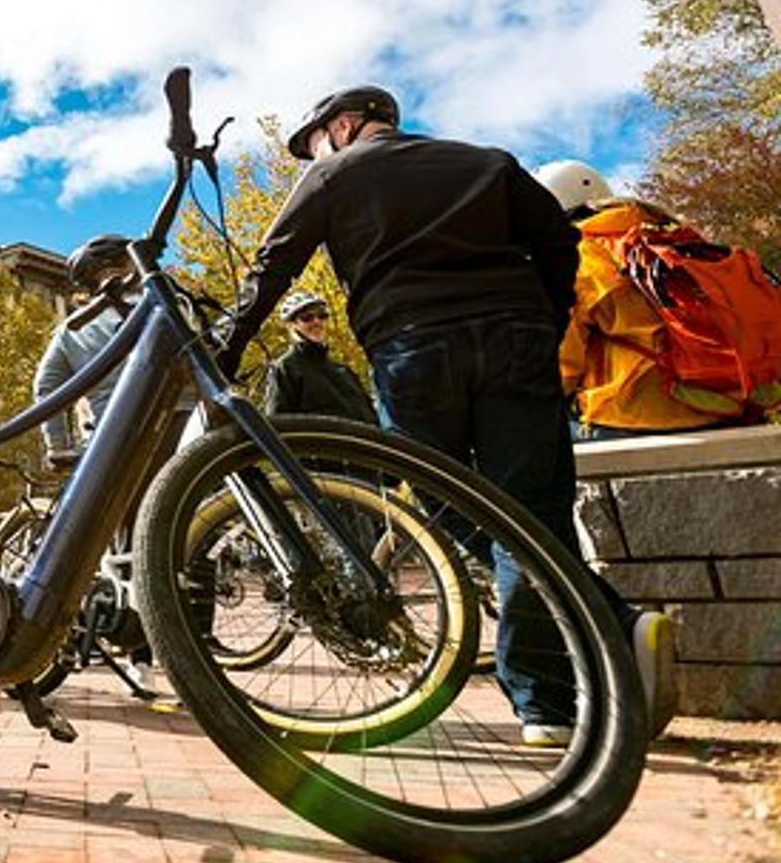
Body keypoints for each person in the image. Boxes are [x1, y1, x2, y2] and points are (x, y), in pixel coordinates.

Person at [216, 86, 676, 747]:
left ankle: (548, 701)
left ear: (344, 125)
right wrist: (541, 321)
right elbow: (558, 243)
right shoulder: (485, 160)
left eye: (313, 141)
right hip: (513, 334)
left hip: (412, 346)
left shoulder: (333, 173)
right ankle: (598, 644)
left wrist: (223, 354)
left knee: (440, 498)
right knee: (531, 510)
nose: (310, 155)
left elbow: (271, 267)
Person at [536, 160, 748, 440]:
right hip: (726, 404)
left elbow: (563, 368)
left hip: (635, 416)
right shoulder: (674, 241)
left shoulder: (581, 256)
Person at [33, 235, 138, 467]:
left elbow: (46, 388)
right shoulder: (168, 304)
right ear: (128, 265)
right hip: (190, 426)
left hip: (113, 440)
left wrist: (57, 447)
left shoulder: (70, 331)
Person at [261, 291, 377, 423]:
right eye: (306, 318)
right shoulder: (286, 369)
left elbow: (371, 418)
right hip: (319, 443)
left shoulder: (344, 371)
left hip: (362, 441)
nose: (316, 322)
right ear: (292, 325)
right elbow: (278, 423)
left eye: (322, 315)